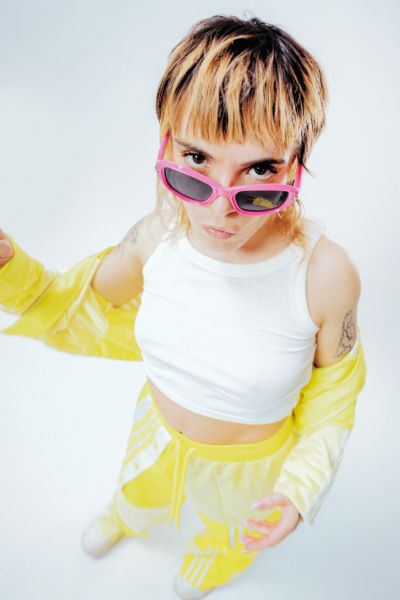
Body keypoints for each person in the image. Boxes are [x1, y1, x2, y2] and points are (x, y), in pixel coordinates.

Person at [0, 15, 366, 600]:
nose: (221, 210)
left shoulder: (324, 276)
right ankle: (125, 518)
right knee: (135, 494)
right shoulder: (157, 236)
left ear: (296, 168)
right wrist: (9, 268)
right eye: (196, 161)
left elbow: (333, 401)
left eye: (260, 172)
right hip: (156, 435)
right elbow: (76, 312)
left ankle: (214, 563)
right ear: (166, 145)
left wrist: (300, 488)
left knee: (230, 535)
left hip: (250, 468)